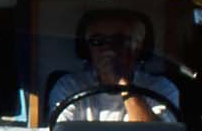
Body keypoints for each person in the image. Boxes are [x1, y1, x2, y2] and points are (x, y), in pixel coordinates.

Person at [47, 9, 181, 124]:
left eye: (119, 41)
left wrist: (123, 82)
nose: (109, 49)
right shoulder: (68, 86)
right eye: (98, 41)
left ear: (139, 47)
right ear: (86, 48)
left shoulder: (162, 88)